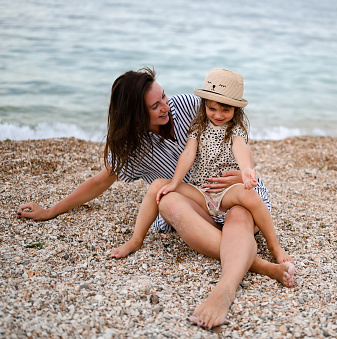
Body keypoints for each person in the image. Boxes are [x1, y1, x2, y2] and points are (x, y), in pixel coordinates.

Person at [16, 67, 295, 329]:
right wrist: (50, 211)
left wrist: (244, 172)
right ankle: (255, 262)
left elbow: (239, 143)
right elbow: (99, 182)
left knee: (239, 213)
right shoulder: (130, 148)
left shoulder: (188, 106)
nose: (166, 106)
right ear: (136, 115)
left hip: (235, 198)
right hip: (194, 207)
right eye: (155, 105)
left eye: (163, 96)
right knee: (167, 199)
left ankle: (226, 288)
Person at [155, 67, 293, 265]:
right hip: (201, 191)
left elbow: (240, 147)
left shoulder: (234, 129)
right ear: (204, 105)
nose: (218, 115)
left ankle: (274, 246)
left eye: (225, 110)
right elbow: (187, 154)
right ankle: (136, 238)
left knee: (250, 196)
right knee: (162, 189)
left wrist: (246, 169)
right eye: (212, 109)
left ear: (235, 110)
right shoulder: (197, 127)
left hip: (225, 191)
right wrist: (175, 183)